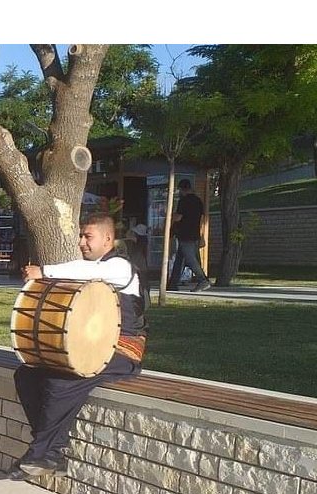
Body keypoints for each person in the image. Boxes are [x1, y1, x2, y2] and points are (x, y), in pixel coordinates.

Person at [11, 213, 148, 478]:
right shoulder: (91, 267)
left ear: (108, 238)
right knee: (27, 374)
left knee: (64, 380)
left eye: (88, 236)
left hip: (124, 351)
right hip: (96, 347)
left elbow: (89, 271)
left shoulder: (119, 266)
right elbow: (79, 269)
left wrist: (45, 271)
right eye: (81, 236)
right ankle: (51, 452)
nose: (82, 242)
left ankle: (42, 453)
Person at [168, 179, 212, 292]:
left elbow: (179, 217)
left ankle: (203, 280)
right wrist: (202, 235)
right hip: (195, 233)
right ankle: (173, 283)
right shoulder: (198, 201)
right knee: (180, 259)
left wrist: (169, 220)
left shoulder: (183, 201)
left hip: (184, 233)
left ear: (182, 189)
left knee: (191, 259)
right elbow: (202, 219)